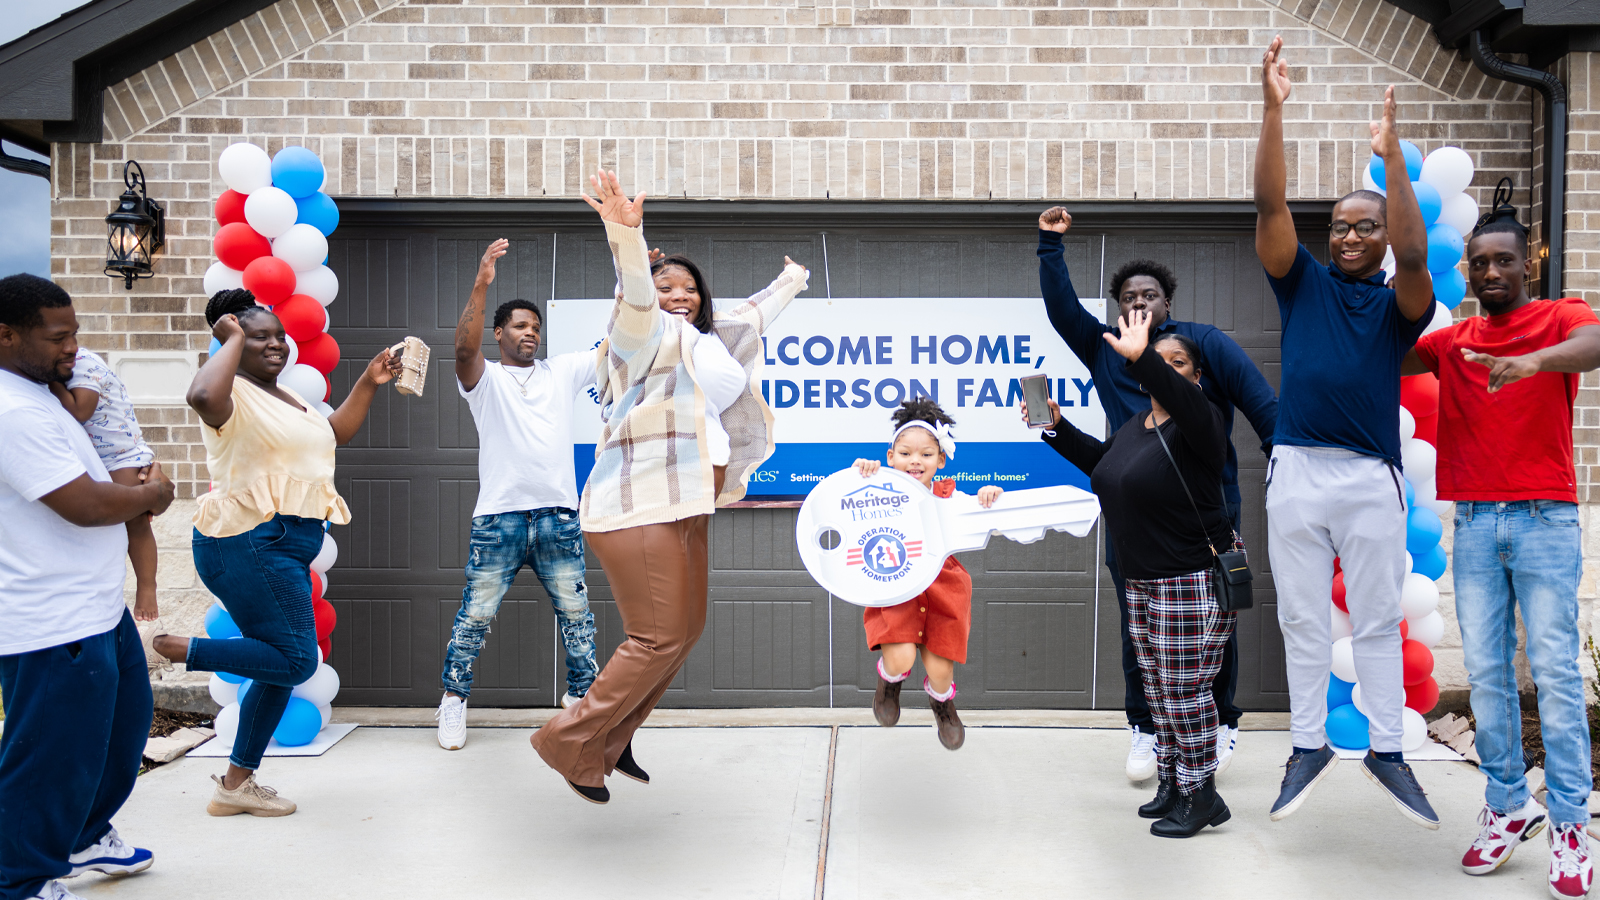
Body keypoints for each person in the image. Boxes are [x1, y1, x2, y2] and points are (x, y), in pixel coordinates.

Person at [531, 168, 809, 804]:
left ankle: (614, 732)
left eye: (688, 288)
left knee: (684, 632)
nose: (677, 294)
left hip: (691, 503)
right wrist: (626, 240)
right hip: (639, 505)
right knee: (655, 636)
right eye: (666, 285)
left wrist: (795, 278)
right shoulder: (641, 335)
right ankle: (568, 739)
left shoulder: (712, 341)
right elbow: (635, 299)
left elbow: (755, 312)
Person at [1253, 35, 1438, 828]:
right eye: (1341, 226)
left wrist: (1389, 161)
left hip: (1369, 476)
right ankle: (1307, 746)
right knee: (1299, 614)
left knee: (1374, 616)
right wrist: (1272, 110)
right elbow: (1270, 207)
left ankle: (1389, 752)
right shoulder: (1304, 287)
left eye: (1364, 226)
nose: (1350, 235)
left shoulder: (1402, 308)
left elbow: (1414, 247)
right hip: (1296, 468)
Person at [1037, 206, 1278, 782]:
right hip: (1134, 519)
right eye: (1127, 296)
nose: (1138, 302)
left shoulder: (1199, 345)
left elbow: (1261, 404)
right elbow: (1062, 309)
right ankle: (1147, 728)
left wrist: (1290, 469)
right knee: (1139, 628)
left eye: (1149, 295)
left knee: (1211, 625)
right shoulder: (1105, 350)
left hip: (1203, 513)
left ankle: (1220, 722)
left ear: (1168, 304)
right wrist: (1050, 244)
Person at [1404, 199, 1600, 897]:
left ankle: (1572, 823)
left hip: (1546, 519)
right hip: (1479, 523)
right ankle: (1508, 806)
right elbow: (1387, 347)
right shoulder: (1451, 342)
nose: (1491, 271)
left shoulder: (1561, 317)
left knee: (1553, 672)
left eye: (1504, 261)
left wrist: (1535, 362)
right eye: (1479, 262)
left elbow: (1596, 343)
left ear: (1528, 264)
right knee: (1487, 677)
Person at [147, 288, 401, 818]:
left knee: (278, 664)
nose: (276, 344)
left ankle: (235, 785)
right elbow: (198, 398)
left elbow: (332, 435)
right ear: (229, 339)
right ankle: (181, 649)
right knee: (297, 658)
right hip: (249, 540)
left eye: (279, 336)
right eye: (258, 335)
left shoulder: (290, 398)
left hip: (283, 544)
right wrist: (233, 340)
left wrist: (367, 382)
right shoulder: (230, 394)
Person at [1028, 309, 1239, 837]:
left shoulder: (1203, 422)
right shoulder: (1136, 426)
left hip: (1187, 579)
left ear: (1195, 376)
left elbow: (1181, 396)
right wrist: (1056, 427)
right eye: (1158, 361)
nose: (1166, 369)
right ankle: (1173, 782)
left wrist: (1145, 355)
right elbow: (1103, 464)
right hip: (1143, 580)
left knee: (1187, 690)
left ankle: (1202, 794)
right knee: (1160, 688)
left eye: (1178, 362)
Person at [0, 274, 175, 900]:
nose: (73, 347)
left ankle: (83, 837)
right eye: (58, 337)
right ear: (6, 335)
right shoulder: (12, 409)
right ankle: (19, 880)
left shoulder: (41, 391)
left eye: (74, 332)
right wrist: (150, 493)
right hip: (50, 618)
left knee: (122, 729)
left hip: (95, 606)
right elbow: (81, 503)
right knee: (46, 757)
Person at [435, 238, 600, 752]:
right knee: (475, 614)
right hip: (500, 519)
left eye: (536, 327)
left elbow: (617, 341)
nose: (531, 333)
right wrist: (483, 282)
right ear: (500, 333)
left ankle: (581, 704)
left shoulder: (562, 372)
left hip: (558, 516)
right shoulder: (484, 380)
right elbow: (463, 349)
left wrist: (642, 277)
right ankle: (453, 701)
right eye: (521, 326)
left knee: (577, 618)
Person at [854, 398, 1003, 751]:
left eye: (925, 455)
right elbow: (848, 501)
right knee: (901, 656)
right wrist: (861, 472)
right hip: (898, 583)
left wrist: (988, 497)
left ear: (941, 460)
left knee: (940, 674)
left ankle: (942, 704)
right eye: (905, 453)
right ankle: (888, 685)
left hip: (942, 588)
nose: (915, 461)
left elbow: (983, 519)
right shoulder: (876, 490)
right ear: (890, 457)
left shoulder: (950, 495)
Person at [49, 349, 159, 624]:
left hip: (121, 456)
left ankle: (147, 588)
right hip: (95, 458)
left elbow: (80, 410)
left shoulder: (83, 362)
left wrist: (47, 380)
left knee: (135, 521)